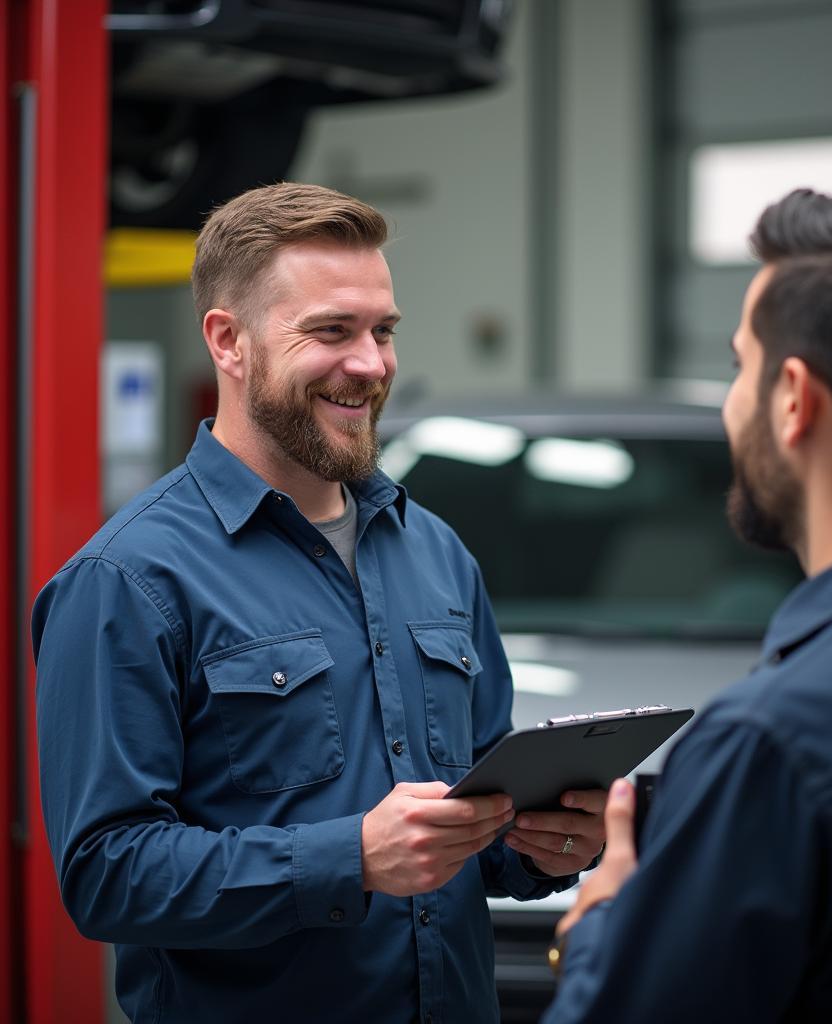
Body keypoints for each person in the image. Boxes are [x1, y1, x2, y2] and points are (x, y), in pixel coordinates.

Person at [32, 182, 606, 1024]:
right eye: (331, 331)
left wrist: (545, 848)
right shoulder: (128, 579)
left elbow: (475, 816)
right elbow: (106, 874)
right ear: (229, 342)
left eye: (383, 331)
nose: (371, 364)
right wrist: (350, 858)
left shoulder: (436, 552)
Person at [541, 186, 832, 1023]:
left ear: (794, 399)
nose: (734, 405)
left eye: (740, 367)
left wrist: (601, 922)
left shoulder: (774, 744)